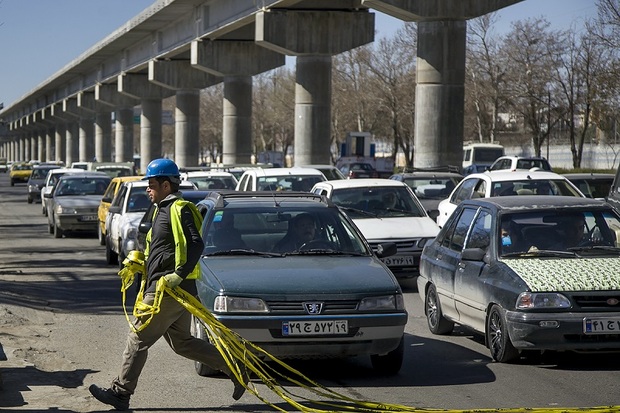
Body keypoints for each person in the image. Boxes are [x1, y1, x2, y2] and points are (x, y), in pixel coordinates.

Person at [89, 158, 247, 411]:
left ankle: (120, 392)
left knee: (137, 339)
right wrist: (141, 263)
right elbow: (163, 250)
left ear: (165, 184)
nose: (147, 189)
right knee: (182, 343)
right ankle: (235, 366)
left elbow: (196, 244)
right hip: (169, 288)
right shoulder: (161, 209)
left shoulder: (180, 208)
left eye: (151, 184)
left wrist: (178, 274)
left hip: (168, 290)